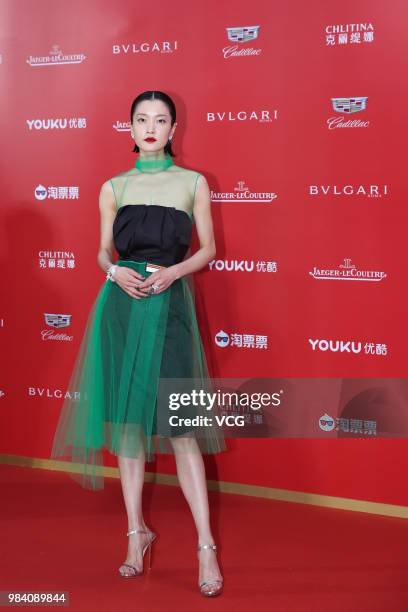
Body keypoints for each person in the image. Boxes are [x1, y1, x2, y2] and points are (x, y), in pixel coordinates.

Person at [51, 90, 226, 597]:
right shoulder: (112, 187)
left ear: (174, 130)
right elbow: (103, 252)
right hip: (123, 307)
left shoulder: (194, 183)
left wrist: (174, 271)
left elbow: (209, 249)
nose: (151, 127)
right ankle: (135, 534)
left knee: (182, 429)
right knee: (128, 426)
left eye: (161, 120)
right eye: (142, 119)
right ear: (129, 128)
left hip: (169, 307)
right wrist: (113, 275)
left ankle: (205, 547)